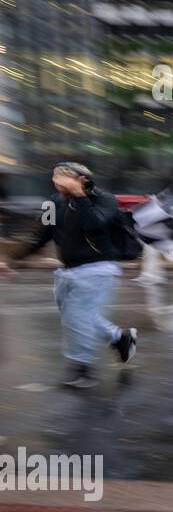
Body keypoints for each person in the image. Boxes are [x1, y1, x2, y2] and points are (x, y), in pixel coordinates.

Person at [0, 163, 138, 388]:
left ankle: (83, 370)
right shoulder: (52, 203)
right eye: (55, 176)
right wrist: (13, 260)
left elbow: (93, 224)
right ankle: (120, 338)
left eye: (65, 177)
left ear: (82, 180)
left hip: (98, 267)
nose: (58, 180)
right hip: (67, 271)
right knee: (79, 316)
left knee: (77, 317)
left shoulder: (104, 200)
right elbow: (40, 236)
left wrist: (78, 195)